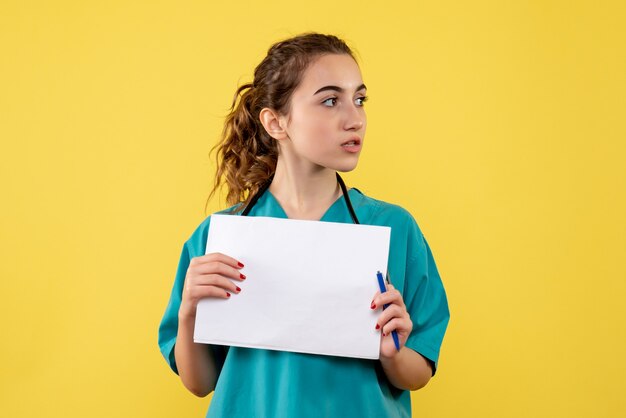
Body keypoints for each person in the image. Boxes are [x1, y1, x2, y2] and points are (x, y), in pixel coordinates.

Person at [158, 32, 450, 418]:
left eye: (359, 99)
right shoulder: (220, 237)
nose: (355, 118)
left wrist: (392, 351)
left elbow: (417, 374)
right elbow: (199, 383)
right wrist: (190, 312)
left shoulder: (393, 228)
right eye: (331, 101)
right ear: (276, 122)